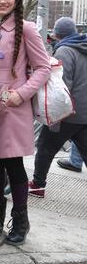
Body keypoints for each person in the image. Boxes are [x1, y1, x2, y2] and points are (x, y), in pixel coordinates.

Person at [0, 0, 51, 245]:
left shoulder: (27, 29)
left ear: (17, 1)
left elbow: (43, 68)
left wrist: (21, 94)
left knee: (14, 165)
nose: (3, 1)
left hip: (13, 108)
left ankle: (21, 220)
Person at [31, 17, 87, 197]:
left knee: (45, 146)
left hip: (68, 114)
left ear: (58, 34)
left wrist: (53, 119)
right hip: (85, 112)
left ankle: (38, 185)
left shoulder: (64, 51)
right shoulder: (84, 46)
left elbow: (61, 88)